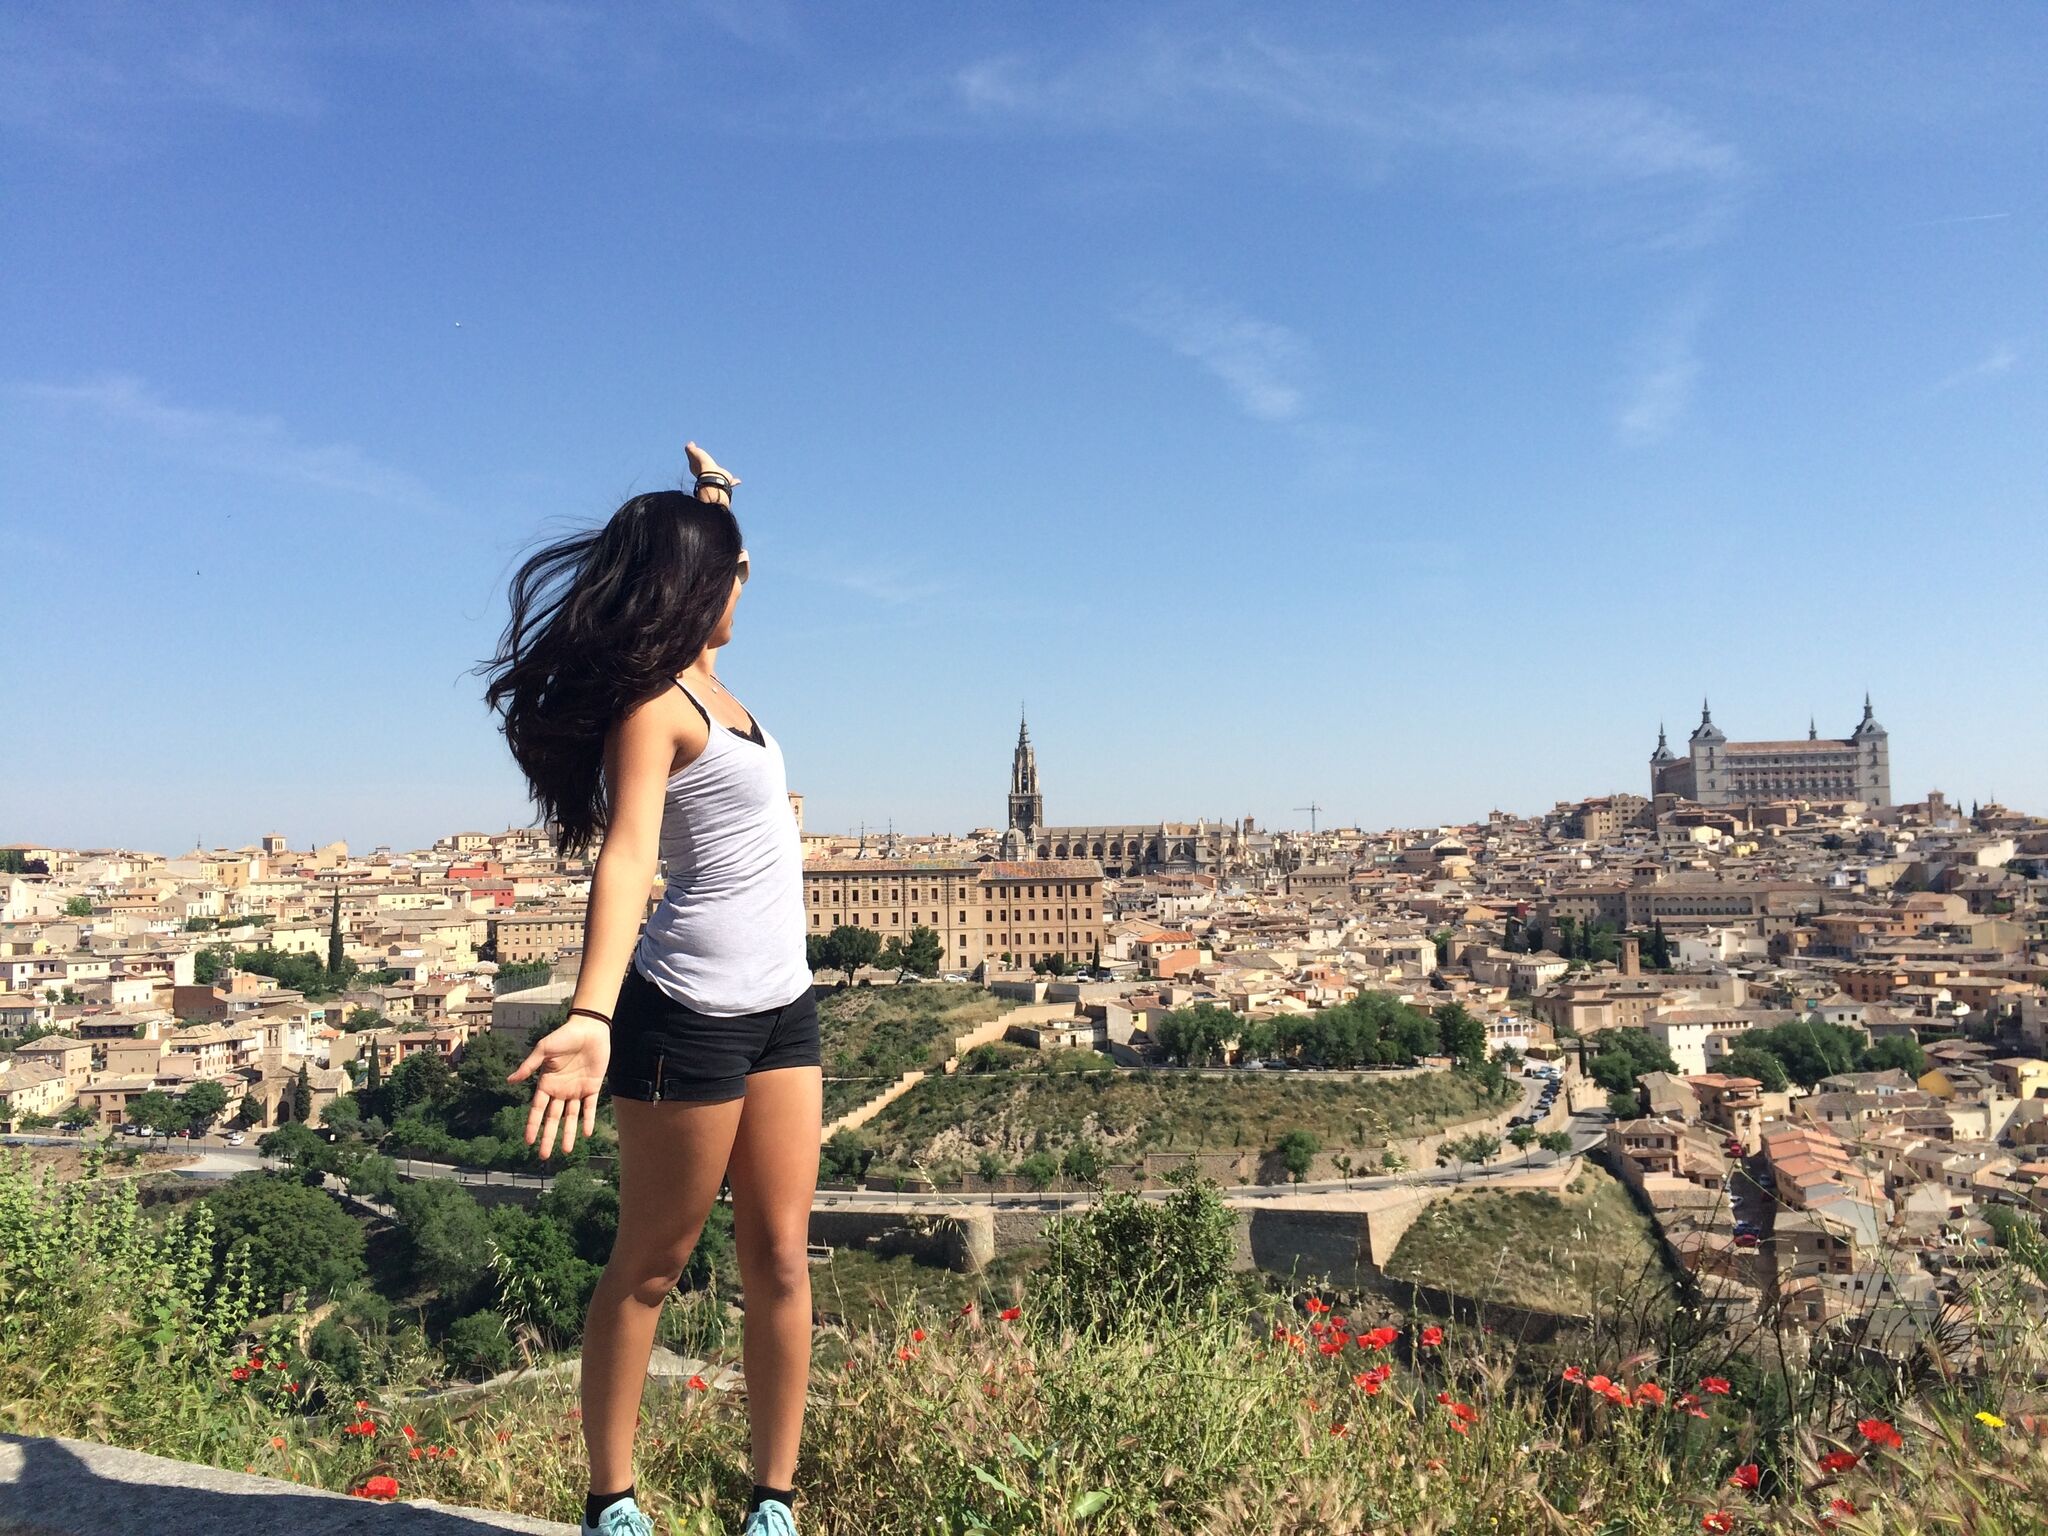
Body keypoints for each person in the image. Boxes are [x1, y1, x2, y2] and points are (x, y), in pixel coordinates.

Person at [480, 443, 818, 1536]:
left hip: (783, 1009)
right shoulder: (654, 706)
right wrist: (589, 1011)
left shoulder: (716, 684)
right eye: (724, 574)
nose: (742, 588)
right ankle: (611, 1502)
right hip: (688, 1015)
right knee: (651, 1263)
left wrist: (715, 507)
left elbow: (735, 563)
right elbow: (628, 856)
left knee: (777, 1255)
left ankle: (773, 1500)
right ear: (691, 589)